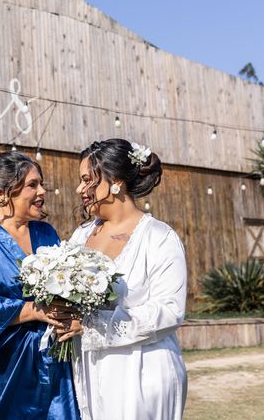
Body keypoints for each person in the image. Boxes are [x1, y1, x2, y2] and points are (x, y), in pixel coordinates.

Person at [0, 150, 80, 420]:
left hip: (51, 358)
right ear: (2, 193)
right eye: (32, 185)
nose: (42, 191)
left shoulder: (47, 233)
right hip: (2, 366)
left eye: (41, 183)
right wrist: (33, 310)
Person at [70, 139, 187, 420]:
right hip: (88, 371)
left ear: (116, 181)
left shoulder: (158, 237)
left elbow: (170, 310)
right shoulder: (80, 236)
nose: (79, 189)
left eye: (87, 180)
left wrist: (90, 326)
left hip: (140, 372)